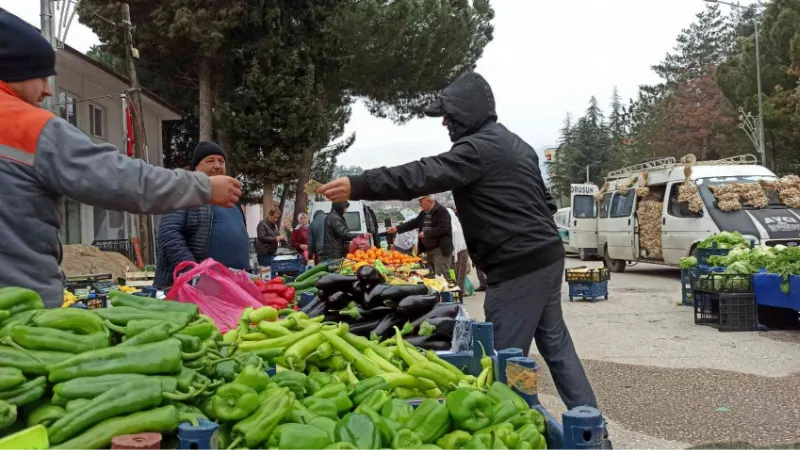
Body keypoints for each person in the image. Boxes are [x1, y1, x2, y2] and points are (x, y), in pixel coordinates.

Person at [316, 71, 595, 410]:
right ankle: (591, 429)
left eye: (449, 114)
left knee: (497, 360)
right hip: (546, 256)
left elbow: (421, 174)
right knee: (556, 344)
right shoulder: (517, 145)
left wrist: (360, 184)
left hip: (517, 266)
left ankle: (511, 426)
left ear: (468, 110)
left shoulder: (477, 149)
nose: (445, 121)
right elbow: (546, 202)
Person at [0, 12, 242, 307]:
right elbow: (120, 180)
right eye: (41, 76)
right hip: (18, 310)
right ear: (14, 69)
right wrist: (202, 187)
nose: (48, 90)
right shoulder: (26, 126)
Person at [154, 142, 250, 288]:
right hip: (195, 288)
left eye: (221, 161)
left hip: (233, 286)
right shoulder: (186, 193)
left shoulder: (232, 200)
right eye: (210, 161)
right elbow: (169, 232)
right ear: (197, 167)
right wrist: (193, 272)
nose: (217, 165)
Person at [388, 195, 453, 276]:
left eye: (421, 201)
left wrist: (426, 233)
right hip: (428, 249)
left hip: (440, 249)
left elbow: (443, 228)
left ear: (429, 201)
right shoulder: (424, 212)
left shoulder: (441, 211)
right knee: (429, 274)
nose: (419, 204)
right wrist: (397, 228)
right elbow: (413, 223)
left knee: (441, 274)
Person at [448, 207, 471, 292]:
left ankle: (456, 298)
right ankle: (458, 298)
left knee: (453, 278)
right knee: (459, 278)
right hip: (462, 253)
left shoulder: (452, 227)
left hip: (455, 255)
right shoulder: (457, 224)